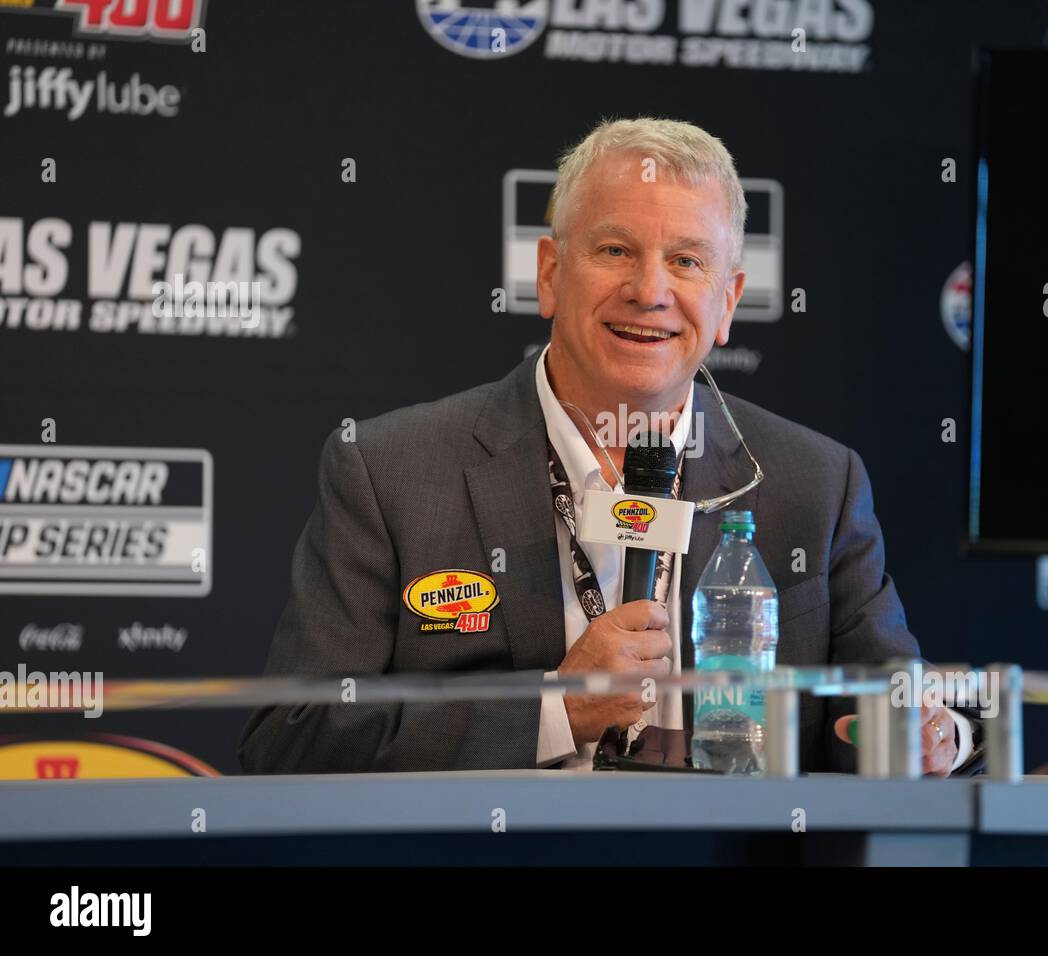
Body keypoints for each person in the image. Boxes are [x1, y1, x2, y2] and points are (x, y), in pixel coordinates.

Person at [239, 117, 982, 776]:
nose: (649, 289)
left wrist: (933, 739)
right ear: (551, 275)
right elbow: (293, 739)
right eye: (616, 249)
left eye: (688, 261)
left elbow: (892, 717)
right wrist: (557, 709)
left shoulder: (816, 485)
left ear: (727, 303)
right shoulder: (391, 471)